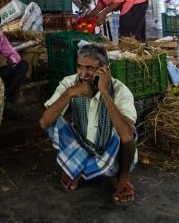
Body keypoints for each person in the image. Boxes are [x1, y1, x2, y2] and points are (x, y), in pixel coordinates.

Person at [39, 43, 137, 207]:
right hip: (82, 143)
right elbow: (44, 122)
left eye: (90, 68)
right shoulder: (70, 83)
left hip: (110, 153)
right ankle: (74, 166)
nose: (83, 73)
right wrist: (70, 93)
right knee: (53, 120)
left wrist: (105, 92)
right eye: (79, 67)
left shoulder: (120, 90)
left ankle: (123, 179)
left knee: (126, 132)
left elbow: (127, 135)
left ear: (104, 69)